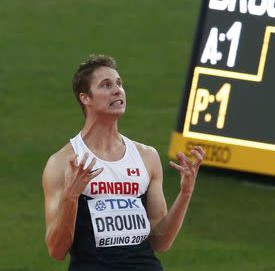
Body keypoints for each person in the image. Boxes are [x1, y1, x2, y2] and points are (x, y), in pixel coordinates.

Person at [42, 54, 204, 271]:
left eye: (119, 83)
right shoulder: (62, 163)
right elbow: (56, 250)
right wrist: (71, 197)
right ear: (85, 98)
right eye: (106, 85)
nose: (117, 90)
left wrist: (185, 194)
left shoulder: (147, 157)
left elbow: (160, 242)